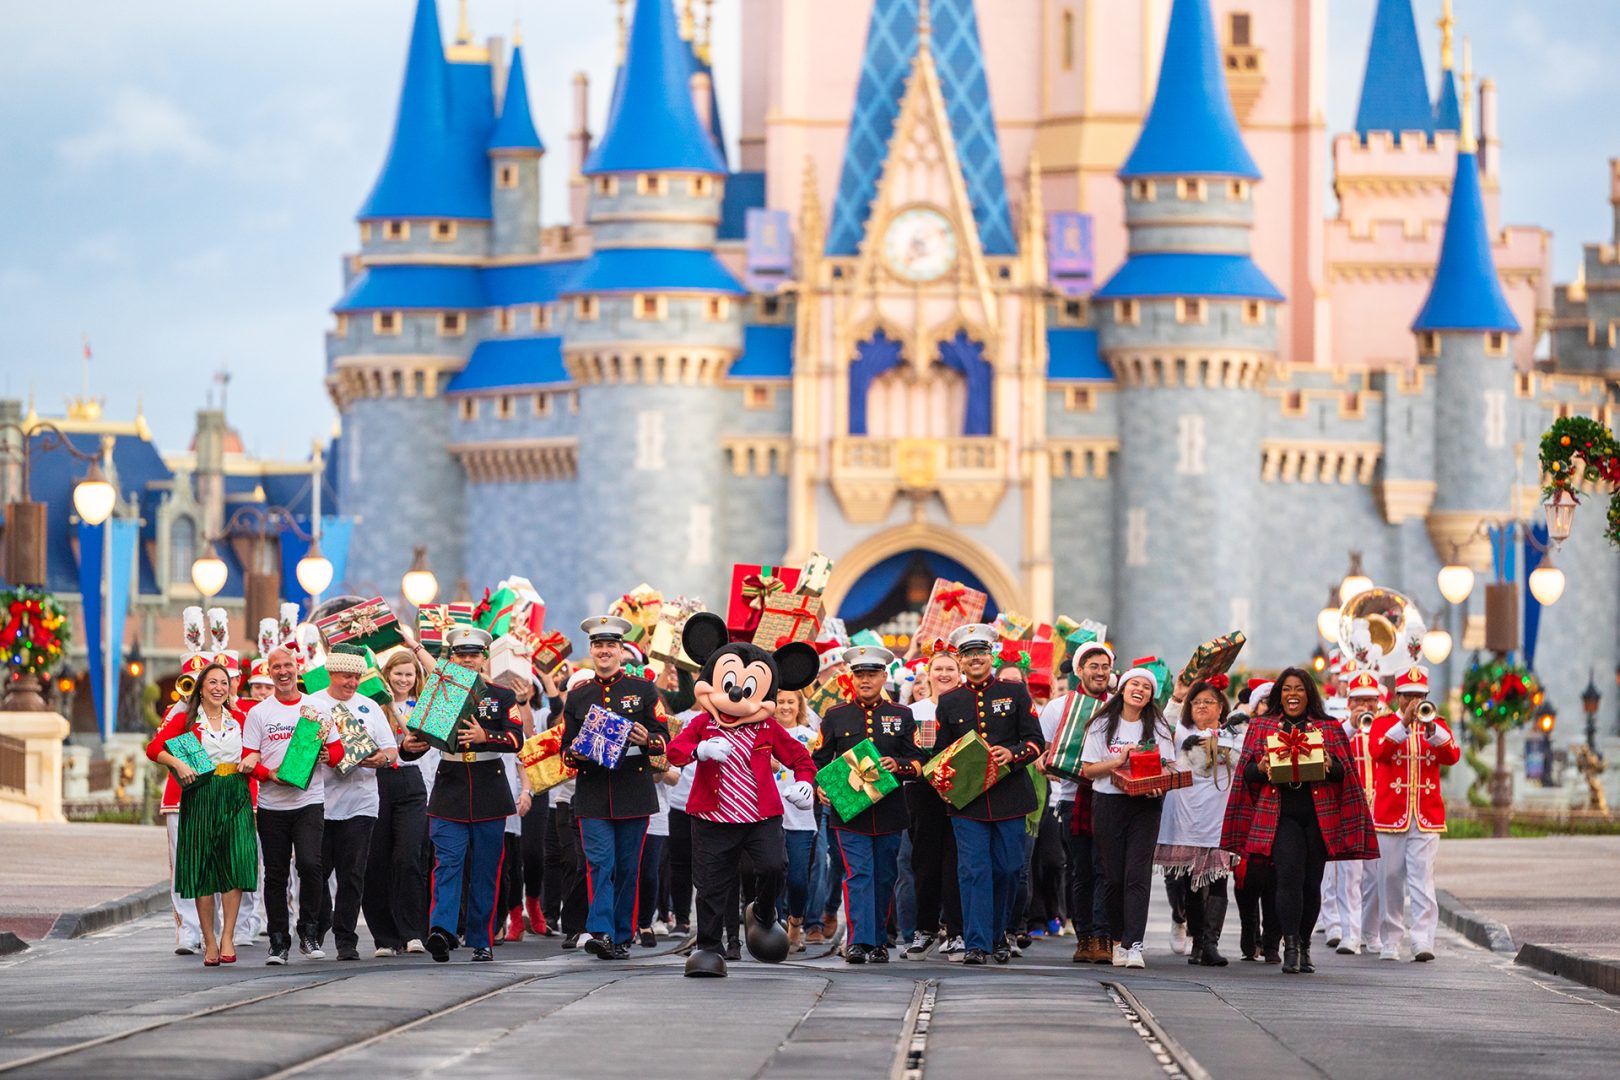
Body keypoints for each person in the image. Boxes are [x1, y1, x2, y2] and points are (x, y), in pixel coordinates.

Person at [665, 613, 819, 978]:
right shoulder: (703, 723)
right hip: (711, 816)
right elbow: (675, 752)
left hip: (760, 816)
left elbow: (800, 758)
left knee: (773, 867)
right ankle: (708, 948)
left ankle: (764, 912)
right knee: (710, 885)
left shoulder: (767, 726)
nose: (735, 695)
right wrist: (699, 751)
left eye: (748, 689)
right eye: (729, 684)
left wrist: (804, 782)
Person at [1222, 669, 1378, 974]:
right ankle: (1290, 946)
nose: (1293, 694)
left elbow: (1344, 774)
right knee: (1288, 878)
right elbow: (1246, 774)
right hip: (1280, 815)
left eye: (1300, 689)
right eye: (1287, 689)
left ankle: (1305, 945)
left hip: (1318, 816)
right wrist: (1263, 765)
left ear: (1309, 694)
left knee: (1311, 884)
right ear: (1279, 694)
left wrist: (1330, 764)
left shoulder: (1329, 728)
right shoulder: (1262, 726)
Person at [399, 625, 524, 963]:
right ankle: (441, 930)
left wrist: (486, 735)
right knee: (447, 864)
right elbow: (420, 742)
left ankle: (481, 939)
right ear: (452, 658)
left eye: (473, 655)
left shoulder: (500, 695)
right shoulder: (442, 694)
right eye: (461, 655)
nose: (468, 660)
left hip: (489, 786)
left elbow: (517, 739)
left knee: (485, 869)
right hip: (450, 785)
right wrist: (408, 746)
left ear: (484, 657)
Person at [934, 624, 1046, 966]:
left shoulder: (1015, 692)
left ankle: (999, 935)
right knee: (973, 870)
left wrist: (1013, 754)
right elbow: (941, 753)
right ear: (961, 661)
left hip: (1010, 796)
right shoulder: (950, 701)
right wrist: (943, 780)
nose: (975, 659)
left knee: (1009, 869)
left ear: (991, 656)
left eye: (980, 653)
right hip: (967, 801)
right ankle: (977, 942)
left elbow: (1035, 741)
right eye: (968, 655)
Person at [561, 616, 671, 960]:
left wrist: (648, 738)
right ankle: (602, 932)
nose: (604, 650)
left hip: (633, 790)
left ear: (621, 650)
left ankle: (623, 934)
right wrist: (574, 752)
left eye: (610, 645)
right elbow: (564, 747)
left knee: (626, 868)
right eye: (598, 645)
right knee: (600, 864)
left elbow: (664, 738)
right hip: (592, 793)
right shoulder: (578, 695)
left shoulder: (643, 690)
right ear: (591, 650)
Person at [813, 645, 923, 964]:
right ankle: (859, 941)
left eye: (872, 674)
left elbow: (918, 760)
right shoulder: (835, 715)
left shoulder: (902, 715)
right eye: (859, 674)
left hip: (890, 811)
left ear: (883, 677)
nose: (865, 680)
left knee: (885, 876)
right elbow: (818, 760)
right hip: (849, 813)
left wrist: (898, 765)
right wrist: (821, 787)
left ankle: (878, 941)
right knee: (858, 874)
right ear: (852, 677)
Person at [146, 660, 258, 966]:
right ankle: (209, 939)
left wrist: (255, 760)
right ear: (201, 688)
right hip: (201, 795)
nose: (219, 688)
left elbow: (257, 747)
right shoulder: (186, 718)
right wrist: (178, 764)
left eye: (224, 682)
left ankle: (228, 936)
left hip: (235, 792)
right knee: (204, 868)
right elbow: (154, 747)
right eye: (213, 683)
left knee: (234, 864)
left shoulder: (241, 717)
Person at [240, 646, 345, 964]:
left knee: (312, 866)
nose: (283, 671)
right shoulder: (259, 713)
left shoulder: (317, 708)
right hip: (272, 804)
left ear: (297, 667)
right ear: (268, 672)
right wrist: (269, 774)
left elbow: (337, 751)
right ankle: (277, 940)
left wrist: (329, 756)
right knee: (274, 875)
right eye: (276, 667)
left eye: (288, 665)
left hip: (309, 801)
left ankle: (309, 932)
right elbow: (248, 760)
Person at [306, 643, 399, 961]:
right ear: (331, 673)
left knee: (352, 874)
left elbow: (391, 750)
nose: (352, 683)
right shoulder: (312, 705)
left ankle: (346, 939)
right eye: (346, 676)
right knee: (316, 872)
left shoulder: (369, 707)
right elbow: (297, 753)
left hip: (360, 803)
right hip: (318, 803)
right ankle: (317, 929)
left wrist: (380, 759)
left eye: (357, 677)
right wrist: (315, 754)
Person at [1080, 664, 1175, 969]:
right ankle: (1118, 939)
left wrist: (1157, 787)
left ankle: (1134, 945)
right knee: (1113, 877)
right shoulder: (1101, 725)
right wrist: (1118, 761)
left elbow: (1169, 768)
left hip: (1144, 806)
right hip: (1108, 802)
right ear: (1122, 689)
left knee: (1137, 875)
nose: (1140, 690)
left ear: (1151, 695)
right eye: (1135, 684)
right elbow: (1088, 770)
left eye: (1146, 687)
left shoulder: (1158, 727)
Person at [1372, 666, 1458, 962]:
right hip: (1389, 815)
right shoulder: (1383, 724)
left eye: (1419, 695)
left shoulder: (1436, 724)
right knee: (1390, 878)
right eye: (1408, 695)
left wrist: (1432, 729)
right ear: (1397, 696)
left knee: (1423, 879)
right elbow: (1377, 752)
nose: (1413, 701)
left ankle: (1423, 939)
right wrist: (1404, 725)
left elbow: (1452, 756)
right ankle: (1391, 940)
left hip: (1426, 815)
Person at [1155, 675, 1240, 966]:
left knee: (1217, 880)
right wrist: (1177, 697)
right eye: (1197, 702)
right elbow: (1161, 726)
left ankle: (1210, 945)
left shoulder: (1233, 735)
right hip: (1186, 817)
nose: (1202, 706)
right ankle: (1197, 943)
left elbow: (1244, 763)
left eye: (1208, 701)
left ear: (1221, 708)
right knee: (1189, 880)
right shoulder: (1179, 732)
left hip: (1218, 818)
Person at [1040, 640, 1114, 964]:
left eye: (1104, 666)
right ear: (1079, 670)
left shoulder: (1118, 705)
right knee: (1080, 871)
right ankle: (1084, 937)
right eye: (1093, 666)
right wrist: (1045, 764)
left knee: (1105, 870)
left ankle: (1103, 937)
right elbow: (1042, 753)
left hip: (1110, 798)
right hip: (1071, 800)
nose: (1099, 672)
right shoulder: (1057, 707)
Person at [365, 649, 430, 956]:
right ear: (387, 674)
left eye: (409, 674)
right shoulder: (373, 707)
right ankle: (385, 938)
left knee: (408, 857)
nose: (403, 679)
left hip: (412, 782)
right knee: (377, 860)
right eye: (398, 673)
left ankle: (413, 932)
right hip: (377, 782)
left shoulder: (424, 706)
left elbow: (412, 743)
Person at [904, 644, 965, 960]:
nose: (944, 674)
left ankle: (956, 931)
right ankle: (925, 928)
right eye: (938, 669)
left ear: (960, 674)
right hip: (923, 792)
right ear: (928, 674)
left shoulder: (968, 705)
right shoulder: (914, 712)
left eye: (950, 669)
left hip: (961, 791)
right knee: (924, 863)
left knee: (957, 863)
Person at [1329, 670, 1383, 957]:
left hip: (1380, 810)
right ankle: (1350, 934)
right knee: (1349, 875)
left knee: (1376, 877)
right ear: (1349, 703)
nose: (1366, 707)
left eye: (1371, 701)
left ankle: (1371, 932)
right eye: (1359, 701)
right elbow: (1332, 746)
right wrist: (1352, 724)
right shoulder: (1341, 728)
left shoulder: (1386, 727)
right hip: (1350, 809)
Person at [1231, 679, 1280, 963]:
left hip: (1281, 812)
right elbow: (1244, 772)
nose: (1269, 707)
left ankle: (1273, 941)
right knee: (1248, 879)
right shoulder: (1245, 730)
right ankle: (1250, 929)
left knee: (1278, 881)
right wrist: (1260, 768)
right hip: (1251, 809)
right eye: (1265, 701)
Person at [774, 687, 820, 952]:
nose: (785, 707)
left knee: (798, 879)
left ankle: (795, 923)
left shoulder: (810, 737)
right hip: (770, 817)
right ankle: (774, 926)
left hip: (801, 821)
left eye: (791, 701)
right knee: (772, 875)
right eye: (780, 701)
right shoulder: (763, 735)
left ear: (799, 705)